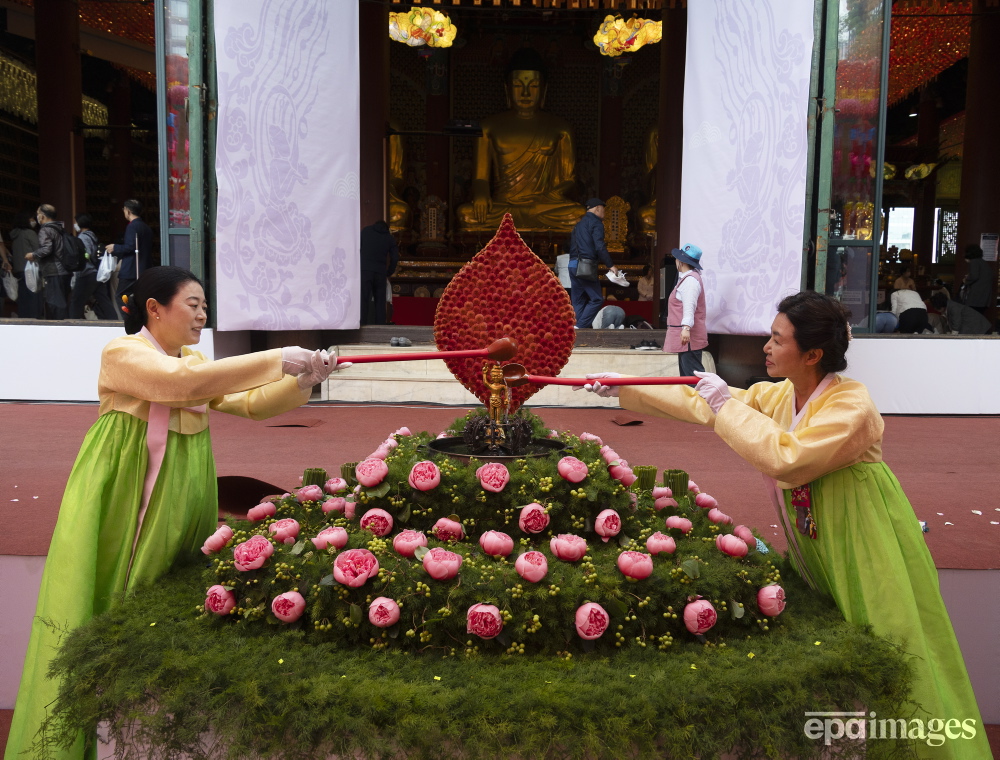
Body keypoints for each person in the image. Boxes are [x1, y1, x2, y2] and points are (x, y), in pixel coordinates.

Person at [581, 291, 989, 760]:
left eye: (777, 340)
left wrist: (725, 406)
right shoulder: (781, 395)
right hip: (819, 534)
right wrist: (623, 387)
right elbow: (707, 404)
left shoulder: (851, 405)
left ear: (812, 354)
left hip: (864, 536)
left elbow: (788, 460)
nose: (767, 349)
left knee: (889, 631)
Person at [4, 266, 348, 760]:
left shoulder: (192, 362)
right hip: (125, 494)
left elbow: (249, 404)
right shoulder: (125, 354)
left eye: (205, 305)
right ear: (154, 308)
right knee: (109, 588)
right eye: (193, 303)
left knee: (165, 588)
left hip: (181, 494)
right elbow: (178, 385)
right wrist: (278, 357)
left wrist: (304, 379)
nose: (202, 313)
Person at [456, 48, 584, 232]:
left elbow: (569, 179)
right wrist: (482, 194)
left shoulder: (560, 128)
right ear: (507, 89)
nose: (525, 93)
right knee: (466, 214)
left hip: (543, 207)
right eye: (517, 85)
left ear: (544, 90)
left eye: (533, 86)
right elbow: (480, 177)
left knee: (578, 215)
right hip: (503, 207)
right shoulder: (488, 126)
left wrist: (546, 199)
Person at [568, 198, 620, 329]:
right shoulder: (596, 223)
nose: (604, 213)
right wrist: (610, 265)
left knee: (578, 300)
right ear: (597, 208)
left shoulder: (578, 225)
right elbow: (600, 246)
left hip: (573, 265)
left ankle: (575, 328)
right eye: (604, 209)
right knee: (597, 299)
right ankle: (580, 326)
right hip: (585, 266)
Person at [663, 243, 708, 375]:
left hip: (688, 337)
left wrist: (686, 328)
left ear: (681, 262)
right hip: (686, 336)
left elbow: (690, 306)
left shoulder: (690, 281)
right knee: (687, 378)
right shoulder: (688, 279)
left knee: (693, 377)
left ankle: (704, 396)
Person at [24, 204, 70, 320]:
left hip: (53, 270)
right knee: (62, 301)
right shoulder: (60, 228)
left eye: (38, 214)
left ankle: (59, 329)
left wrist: (33, 255)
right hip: (64, 270)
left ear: (42, 216)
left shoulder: (45, 229)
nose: (37, 217)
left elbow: (47, 248)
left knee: (55, 302)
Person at [68, 213, 117, 320]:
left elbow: (86, 254)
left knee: (76, 301)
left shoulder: (83, 237)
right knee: (103, 299)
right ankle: (114, 321)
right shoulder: (92, 235)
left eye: (75, 222)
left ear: (80, 223)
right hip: (96, 273)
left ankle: (72, 324)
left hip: (86, 273)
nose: (74, 224)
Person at [105, 198, 153, 298]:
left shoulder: (132, 226)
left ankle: (128, 314)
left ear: (128, 211)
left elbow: (130, 247)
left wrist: (115, 247)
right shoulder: (145, 227)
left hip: (132, 269)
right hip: (144, 267)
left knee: (121, 296)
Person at [359, 220, 399, 326]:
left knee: (363, 299)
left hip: (365, 270)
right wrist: (389, 272)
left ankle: (362, 325)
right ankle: (380, 326)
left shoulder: (365, 231)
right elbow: (395, 257)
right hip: (380, 272)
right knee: (380, 302)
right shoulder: (389, 238)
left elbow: (356, 248)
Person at [7, 210, 42, 318]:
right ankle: (34, 321)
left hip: (18, 271)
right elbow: (38, 250)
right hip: (30, 270)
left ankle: (23, 320)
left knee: (22, 298)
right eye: (31, 219)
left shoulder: (14, 235)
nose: (33, 221)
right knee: (34, 298)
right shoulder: (29, 233)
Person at [961, 243, 993, 315]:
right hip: (984, 298)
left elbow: (974, 276)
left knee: (972, 319)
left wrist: (966, 280)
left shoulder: (974, 262)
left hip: (976, 298)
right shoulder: (983, 262)